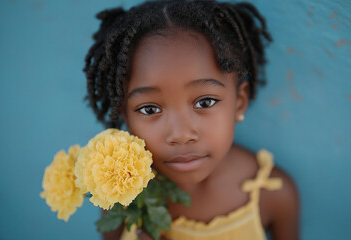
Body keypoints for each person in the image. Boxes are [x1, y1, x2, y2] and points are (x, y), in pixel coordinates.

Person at [83, 0, 299, 239]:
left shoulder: (273, 194)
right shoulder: (119, 195)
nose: (181, 134)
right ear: (125, 115)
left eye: (204, 102)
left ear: (240, 102)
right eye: (149, 109)